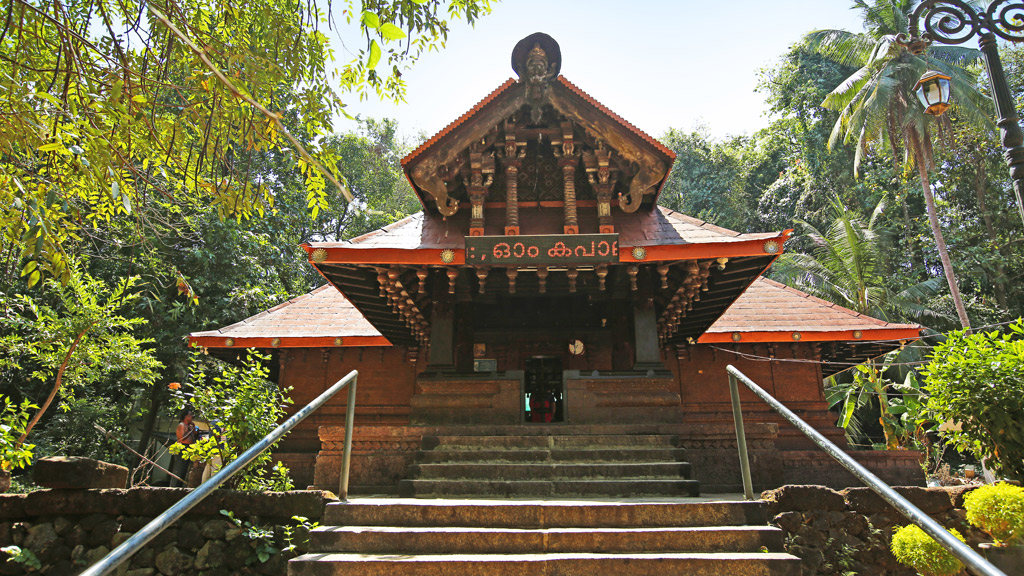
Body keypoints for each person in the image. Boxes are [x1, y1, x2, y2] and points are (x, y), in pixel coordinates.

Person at [170, 407, 199, 487]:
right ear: (185, 416)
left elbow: (193, 436)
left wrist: (193, 429)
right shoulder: (181, 425)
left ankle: (180, 486)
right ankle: (174, 486)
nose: (192, 417)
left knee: (185, 470)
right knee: (179, 469)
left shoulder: (189, 426)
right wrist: (189, 431)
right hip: (182, 448)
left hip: (189, 448)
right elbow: (182, 438)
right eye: (190, 415)